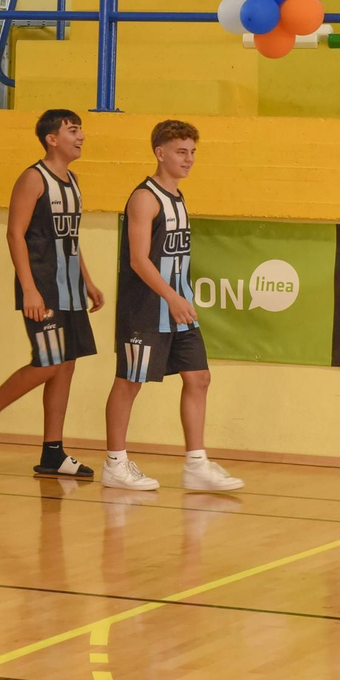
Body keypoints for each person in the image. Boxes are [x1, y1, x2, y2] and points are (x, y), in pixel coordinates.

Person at [0, 109, 101, 478]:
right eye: (73, 130)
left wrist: (87, 280)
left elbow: (71, 239)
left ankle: (53, 452)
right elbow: (14, 234)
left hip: (69, 289)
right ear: (52, 138)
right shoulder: (33, 178)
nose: (81, 135)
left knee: (65, 365)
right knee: (49, 362)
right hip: (43, 287)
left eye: (80, 129)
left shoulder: (73, 180)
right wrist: (29, 289)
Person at [103, 119, 243, 492]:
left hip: (178, 308)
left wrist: (181, 298)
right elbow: (138, 259)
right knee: (129, 382)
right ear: (159, 152)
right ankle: (115, 463)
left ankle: (196, 463)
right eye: (182, 152)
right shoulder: (145, 198)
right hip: (147, 308)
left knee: (199, 378)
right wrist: (171, 296)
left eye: (193, 152)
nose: (189, 159)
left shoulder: (178, 197)